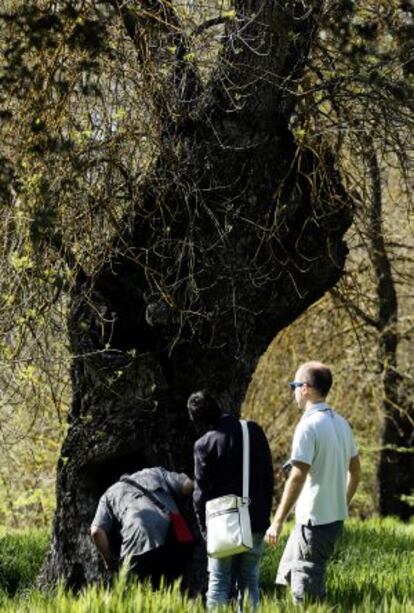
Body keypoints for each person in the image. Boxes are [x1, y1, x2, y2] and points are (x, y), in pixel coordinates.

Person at [265, 361, 361, 604]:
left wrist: (277, 522)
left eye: (293, 386)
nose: (293, 392)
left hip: (314, 523)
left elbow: (296, 477)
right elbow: (356, 473)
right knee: (286, 573)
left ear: (305, 388)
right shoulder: (341, 423)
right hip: (328, 520)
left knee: (306, 593)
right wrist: (341, 503)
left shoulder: (308, 426)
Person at [187, 389, 274, 610]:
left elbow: (200, 494)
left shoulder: (204, 444)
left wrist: (205, 530)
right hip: (255, 518)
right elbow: (268, 477)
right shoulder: (253, 431)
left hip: (222, 523)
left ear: (197, 420)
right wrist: (265, 514)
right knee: (249, 583)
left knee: (219, 583)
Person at [90, 466, 193, 588]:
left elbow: (96, 532)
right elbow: (188, 486)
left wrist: (109, 563)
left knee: (140, 594)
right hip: (173, 536)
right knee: (176, 585)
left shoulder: (109, 494)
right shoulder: (155, 472)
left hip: (136, 546)